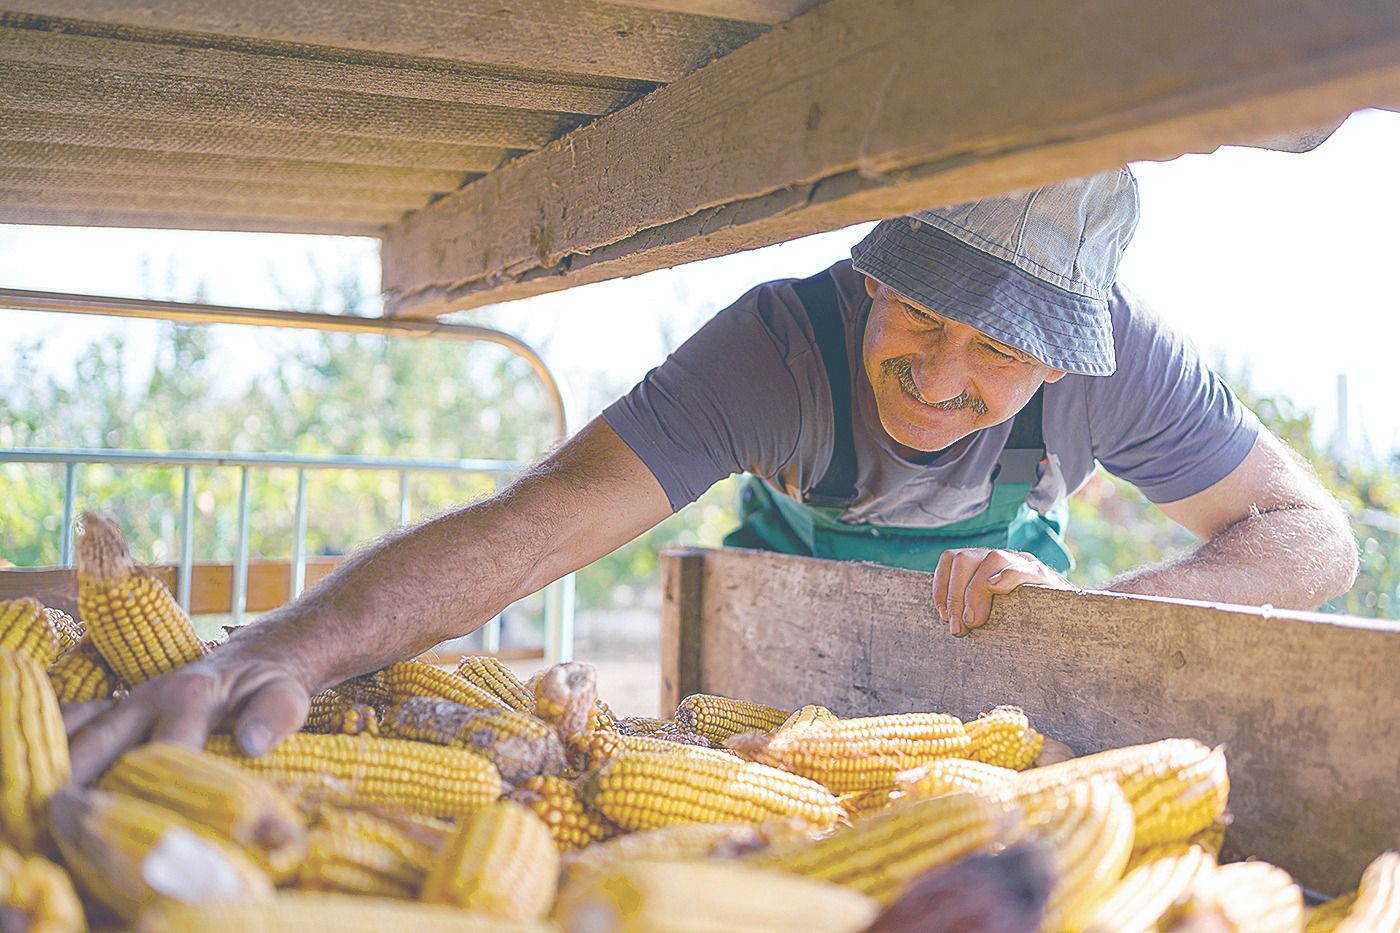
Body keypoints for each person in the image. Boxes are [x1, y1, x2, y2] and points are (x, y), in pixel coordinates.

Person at [63, 168, 1358, 782]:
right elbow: (537, 523)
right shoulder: (770, 351)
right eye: (919, 315)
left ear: (1068, 349)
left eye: (1002, 351)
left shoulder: (1125, 361)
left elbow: (1315, 539)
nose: (942, 375)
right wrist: (282, 647)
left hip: (1004, 705)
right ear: (869, 274)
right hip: (773, 694)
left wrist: (1099, 616)